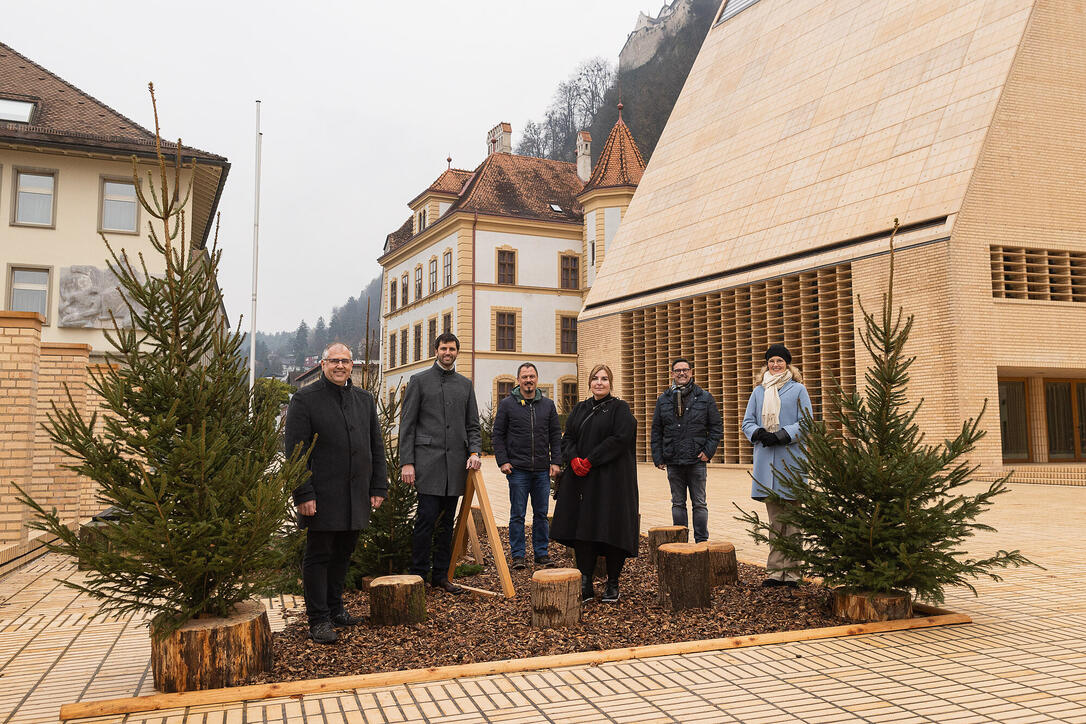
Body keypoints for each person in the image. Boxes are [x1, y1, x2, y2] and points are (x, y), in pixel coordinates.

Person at [285, 342, 387, 644]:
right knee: (319, 556)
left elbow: (375, 447)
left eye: (345, 361)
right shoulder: (304, 400)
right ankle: (318, 620)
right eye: (334, 361)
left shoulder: (364, 400)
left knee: (344, 553)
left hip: (356, 493)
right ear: (323, 364)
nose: (340, 366)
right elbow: (296, 452)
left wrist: (378, 486)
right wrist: (303, 494)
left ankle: (336, 608)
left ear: (352, 364)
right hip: (321, 495)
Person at [400, 332, 482, 594]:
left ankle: (442, 576)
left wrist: (475, 452)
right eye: (444, 348)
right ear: (436, 350)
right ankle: (418, 575)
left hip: (455, 466)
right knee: (425, 521)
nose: (448, 353)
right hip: (427, 464)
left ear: (457, 352)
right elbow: (407, 426)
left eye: (453, 349)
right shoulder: (419, 381)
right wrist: (407, 463)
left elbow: (473, 426)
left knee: (447, 524)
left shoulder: (465, 385)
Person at [550, 364, 638, 603]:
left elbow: (619, 439)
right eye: (595, 379)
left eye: (604, 379)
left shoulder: (620, 409)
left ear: (611, 383)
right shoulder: (580, 409)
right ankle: (586, 580)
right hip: (583, 482)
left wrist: (591, 460)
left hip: (611, 482)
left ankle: (613, 583)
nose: (599, 383)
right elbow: (568, 438)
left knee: (611, 529)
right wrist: (574, 458)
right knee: (584, 530)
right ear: (589, 383)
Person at [742, 343, 812, 588]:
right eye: (771, 361)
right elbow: (747, 422)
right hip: (767, 465)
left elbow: (806, 423)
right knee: (774, 523)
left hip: (790, 462)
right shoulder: (759, 392)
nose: (775, 365)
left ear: (787, 364)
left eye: (780, 361)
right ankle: (774, 572)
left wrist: (783, 434)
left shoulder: (798, 389)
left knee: (792, 523)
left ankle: (792, 574)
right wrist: (759, 432)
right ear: (767, 364)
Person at [492, 362, 562, 569]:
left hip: (542, 470)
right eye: (525, 377)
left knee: (541, 514)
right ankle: (518, 556)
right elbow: (498, 435)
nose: (528, 380)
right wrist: (503, 461)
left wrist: (556, 461)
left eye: (532, 376)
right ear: (519, 380)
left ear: (537, 379)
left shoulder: (548, 405)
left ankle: (541, 553)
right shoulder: (507, 404)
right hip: (517, 470)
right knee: (517, 515)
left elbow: (555, 436)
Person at [650, 358, 723, 543]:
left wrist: (708, 451)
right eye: (677, 370)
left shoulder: (704, 397)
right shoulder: (664, 399)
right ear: (672, 374)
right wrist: (658, 456)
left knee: (699, 504)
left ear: (691, 372)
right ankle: (680, 543)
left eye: (685, 370)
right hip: (673, 460)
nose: (681, 373)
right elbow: (656, 430)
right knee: (677, 503)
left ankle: (701, 542)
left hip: (697, 459)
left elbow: (716, 427)